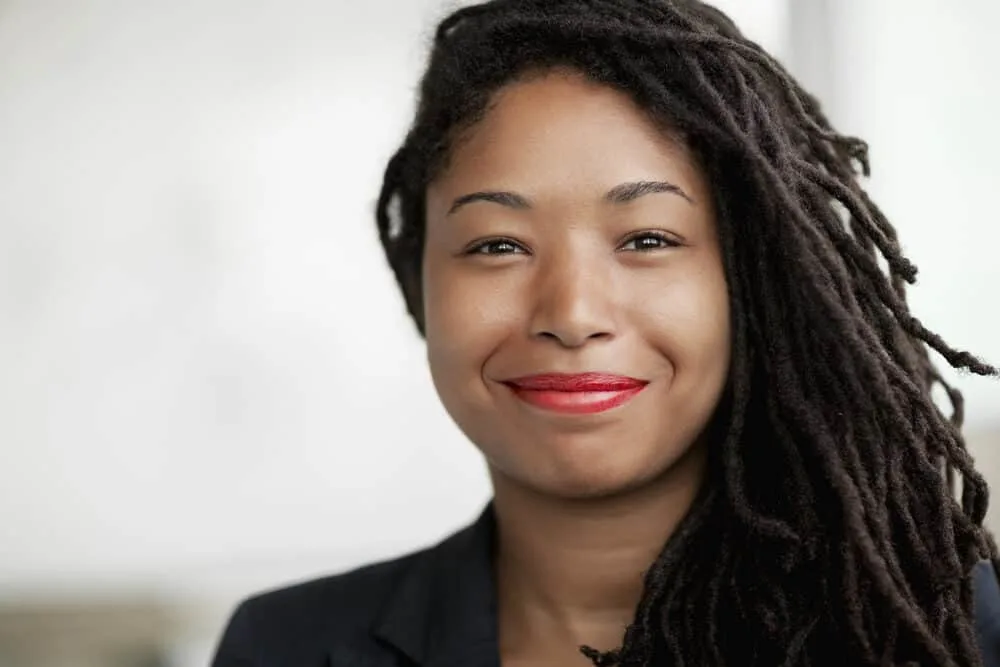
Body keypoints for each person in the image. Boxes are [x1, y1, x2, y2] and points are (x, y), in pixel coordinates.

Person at [210, 1, 1000, 665]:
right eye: (497, 245)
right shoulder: (282, 645)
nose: (572, 313)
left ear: (755, 281)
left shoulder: (950, 629)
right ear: (420, 279)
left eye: (647, 239)